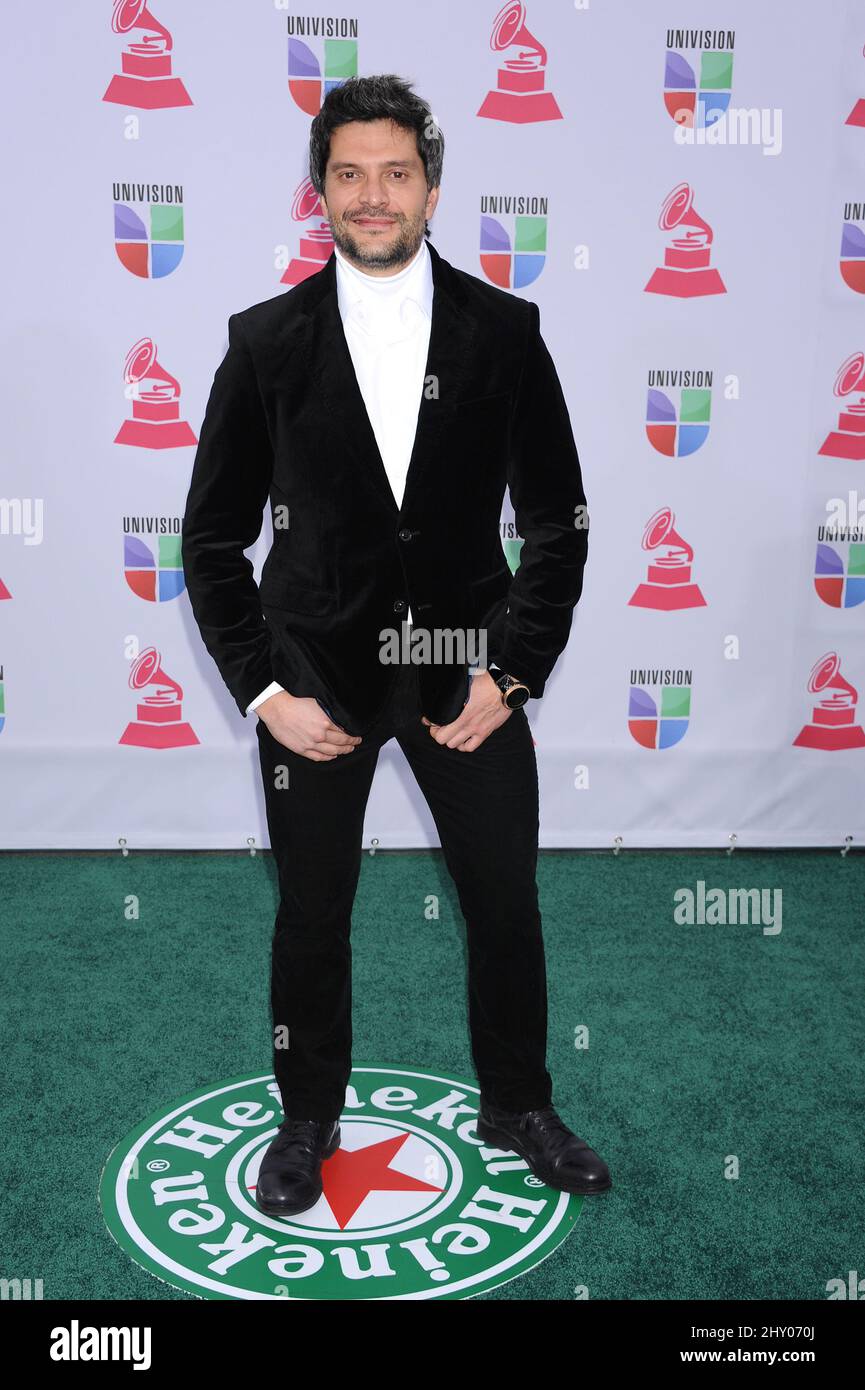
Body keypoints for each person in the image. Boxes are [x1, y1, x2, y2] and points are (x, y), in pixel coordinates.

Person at [181, 73, 611, 1217]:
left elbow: (559, 522)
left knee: (505, 899)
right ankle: (308, 1113)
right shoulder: (264, 344)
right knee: (311, 908)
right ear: (318, 190)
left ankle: (517, 1101)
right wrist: (265, 688)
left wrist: (511, 672)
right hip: (314, 676)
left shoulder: (506, 333)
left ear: (432, 186)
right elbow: (212, 538)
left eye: (396, 173)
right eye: (349, 174)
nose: (373, 196)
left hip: (464, 670)